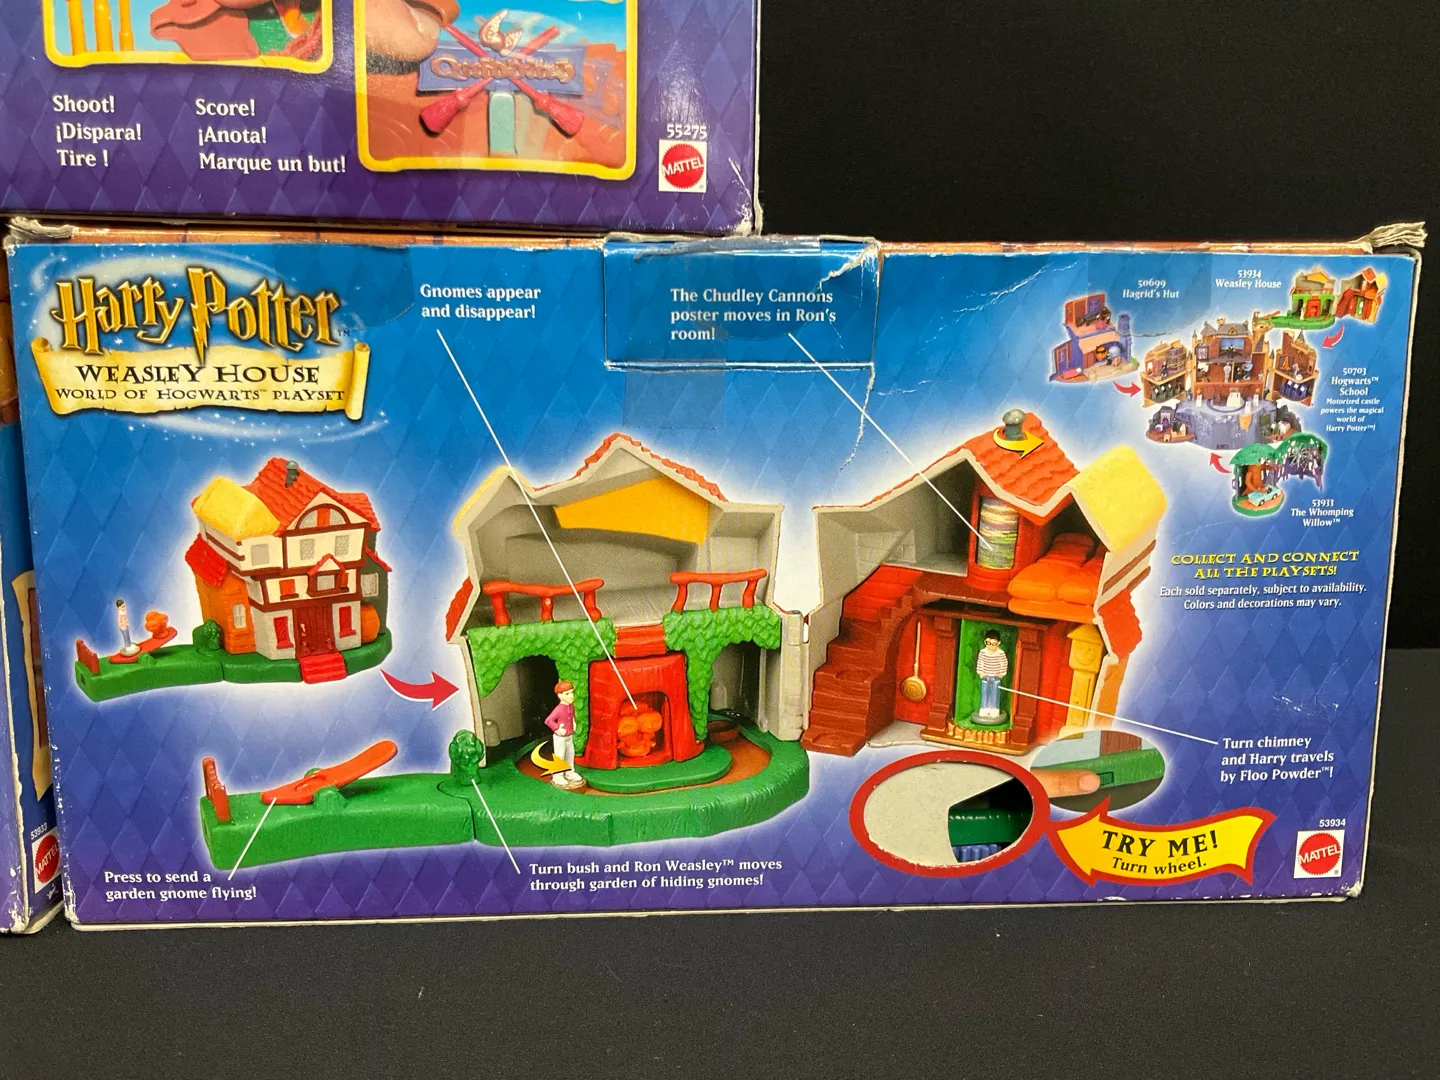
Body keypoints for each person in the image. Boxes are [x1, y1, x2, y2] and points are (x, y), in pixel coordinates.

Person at [544, 681, 584, 789]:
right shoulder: (559, 709)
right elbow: (548, 720)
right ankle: (557, 776)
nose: (571, 696)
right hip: (560, 738)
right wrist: (557, 728)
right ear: (560, 695)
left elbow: (572, 716)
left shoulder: (571, 706)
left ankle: (569, 772)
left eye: (572, 693)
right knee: (560, 756)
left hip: (569, 736)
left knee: (570, 754)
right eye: (567, 694)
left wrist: (574, 723)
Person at [974, 629, 1009, 723]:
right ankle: (984, 708)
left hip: (996, 677)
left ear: (998, 643)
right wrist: (981, 673)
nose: (990, 646)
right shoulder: (983, 652)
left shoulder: (1001, 653)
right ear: (985, 641)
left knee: (994, 693)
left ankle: (994, 709)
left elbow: (1004, 664)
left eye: (993, 644)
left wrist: (1001, 674)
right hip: (985, 676)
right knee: (985, 692)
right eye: (988, 643)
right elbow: (980, 662)